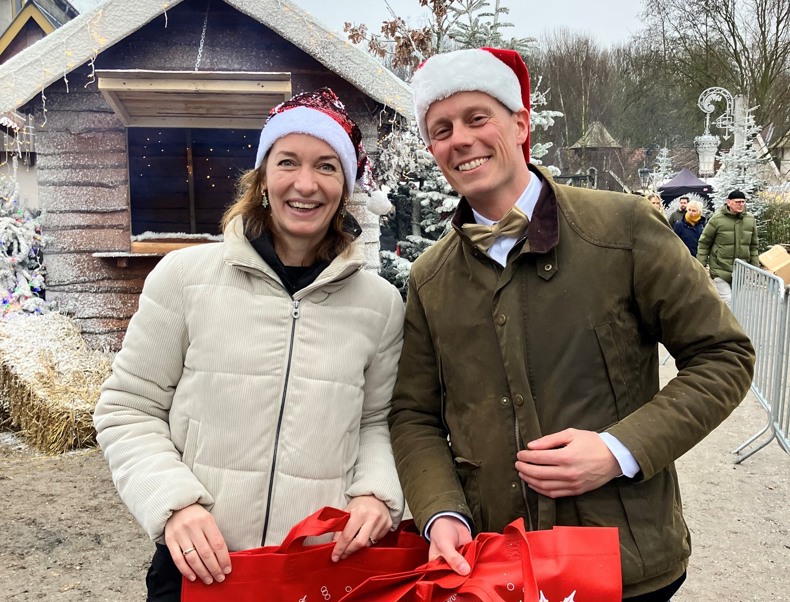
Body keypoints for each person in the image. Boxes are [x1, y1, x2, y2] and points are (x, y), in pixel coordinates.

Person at [387, 47, 754, 601]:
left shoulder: (623, 228)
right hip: (492, 565)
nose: (458, 139)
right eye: (440, 129)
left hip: (624, 563)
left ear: (520, 122)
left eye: (476, 118)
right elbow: (413, 413)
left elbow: (723, 356)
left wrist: (617, 449)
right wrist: (440, 512)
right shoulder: (430, 277)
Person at [94, 88, 405, 602]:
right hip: (201, 568)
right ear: (262, 177)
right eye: (288, 162)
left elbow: (376, 422)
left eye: (327, 166)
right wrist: (175, 504)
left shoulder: (380, 305)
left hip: (317, 568)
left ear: (345, 186)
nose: (306, 184)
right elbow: (129, 408)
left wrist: (375, 492)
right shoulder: (184, 278)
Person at [696, 189, 759, 306]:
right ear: (728, 202)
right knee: (728, 301)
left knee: (735, 302)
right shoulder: (716, 220)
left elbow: (753, 245)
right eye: (737, 202)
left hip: (740, 270)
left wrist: (754, 267)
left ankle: (723, 322)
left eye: (743, 202)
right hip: (720, 268)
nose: (741, 204)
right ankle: (728, 324)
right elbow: (704, 243)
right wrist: (701, 265)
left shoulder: (750, 220)